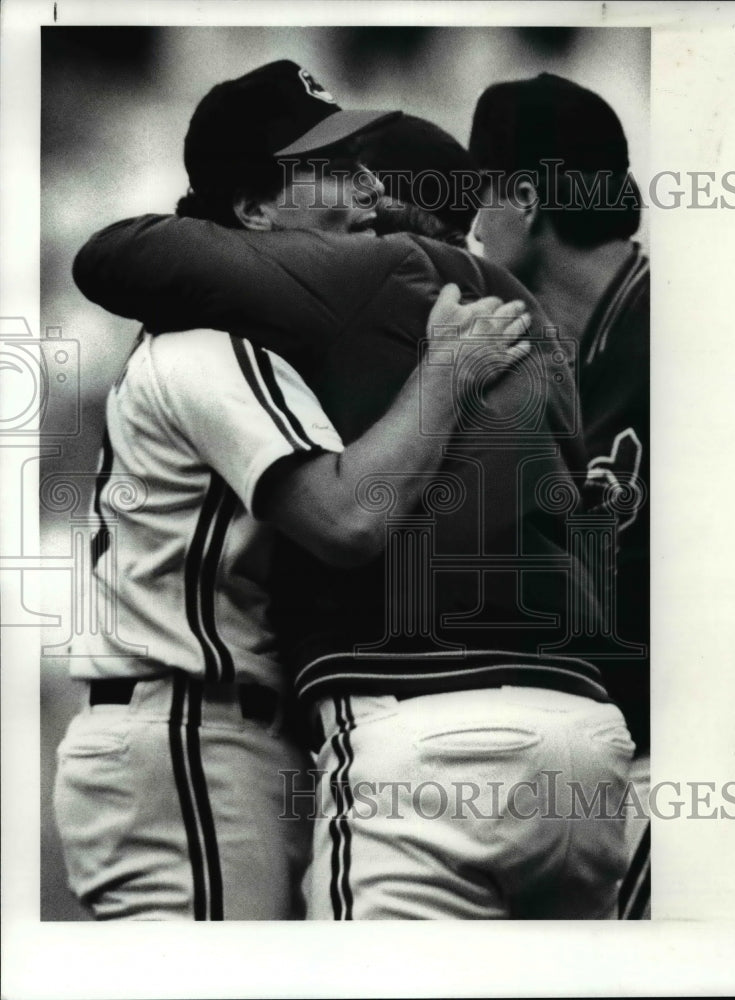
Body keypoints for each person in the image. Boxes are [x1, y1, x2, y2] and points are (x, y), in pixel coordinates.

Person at [72, 77, 635, 920]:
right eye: (337, 171)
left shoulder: (366, 286)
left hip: (388, 736)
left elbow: (113, 252)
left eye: (370, 175)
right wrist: (442, 373)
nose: (368, 195)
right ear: (256, 211)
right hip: (580, 738)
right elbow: (359, 516)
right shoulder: (524, 319)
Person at [469, 72, 651, 917]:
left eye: (478, 196)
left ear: (526, 197)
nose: (468, 224)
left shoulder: (688, 333)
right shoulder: (581, 355)